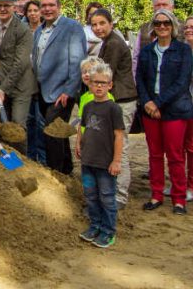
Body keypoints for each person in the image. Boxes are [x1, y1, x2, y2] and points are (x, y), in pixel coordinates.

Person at [136, 9, 193, 215]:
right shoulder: (147, 51)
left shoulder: (183, 50)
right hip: (150, 110)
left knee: (176, 155)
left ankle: (179, 198)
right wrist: (147, 103)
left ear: (173, 26)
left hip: (174, 109)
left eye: (166, 23)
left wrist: (158, 103)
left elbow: (182, 82)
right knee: (155, 155)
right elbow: (140, 79)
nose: (162, 27)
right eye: (158, 23)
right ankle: (156, 194)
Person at [31, 0, 86, 175]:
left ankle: (56, 173)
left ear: (59, 6)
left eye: (51, 5)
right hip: (43, 90)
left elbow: (78, 61)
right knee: (59, 133)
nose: (47, 9)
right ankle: (66, 170)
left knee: (52, 133)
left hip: (61, 92)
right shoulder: (39, 30)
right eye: (43, 6)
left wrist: (69, 91)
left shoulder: (72, 27)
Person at [90, 9, 137, 209]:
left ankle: (120, 196)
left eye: (102, 23)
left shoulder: (115, 43)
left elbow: (105, 73)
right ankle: (112, 190)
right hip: (115, 98)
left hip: (121, 99)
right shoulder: (107, 42)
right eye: (94, 24)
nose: (98, 28)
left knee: (120, 147)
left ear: (111, 23)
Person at [75, 63, 124, 249]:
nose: (99, 87)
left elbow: (119, 135)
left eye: (103, 83)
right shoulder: (87, 105)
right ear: (90, 84)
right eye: (96, 83)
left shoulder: (113, 109)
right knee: (90, 196)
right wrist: (78, 143)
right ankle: (94, 225)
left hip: (105, 162)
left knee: (106, 197)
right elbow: (83, 127)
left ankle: (108, 230)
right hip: (88, 160)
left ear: (110, 85)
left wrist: (116, 160)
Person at [163, 16, 193, 202]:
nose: (189, 30)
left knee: (192, 145)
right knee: (176, 146)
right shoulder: (180, 50)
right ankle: (178, 183)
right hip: (177, 103)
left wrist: (180, 71)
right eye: (187, 27)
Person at [0, 0, 35, 135]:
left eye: (7, 5)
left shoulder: (22, 30)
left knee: (17, 126)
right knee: (3, 124)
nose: (2, 9)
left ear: (14, 7)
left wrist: (4, 89)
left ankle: (20, 158)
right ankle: (4, 157)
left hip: (20, 86)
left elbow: (21, 63)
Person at [132, 0, 183, 75]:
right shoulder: (144, 28)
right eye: (158, 5)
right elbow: (136, 57)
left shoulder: (184, 28)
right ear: (153, 8)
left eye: (164, 5)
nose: (161, 8)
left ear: (172, 7)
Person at [23, 0, 44, 164]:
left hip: (43, 84)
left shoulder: (45, 31)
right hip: (26, 83)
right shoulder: (23, 30)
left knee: (40, 123)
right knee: (29, 121)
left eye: (35, 10)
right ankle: (30, 157)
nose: (32, 13)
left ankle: (42, 159)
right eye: (29, 11)